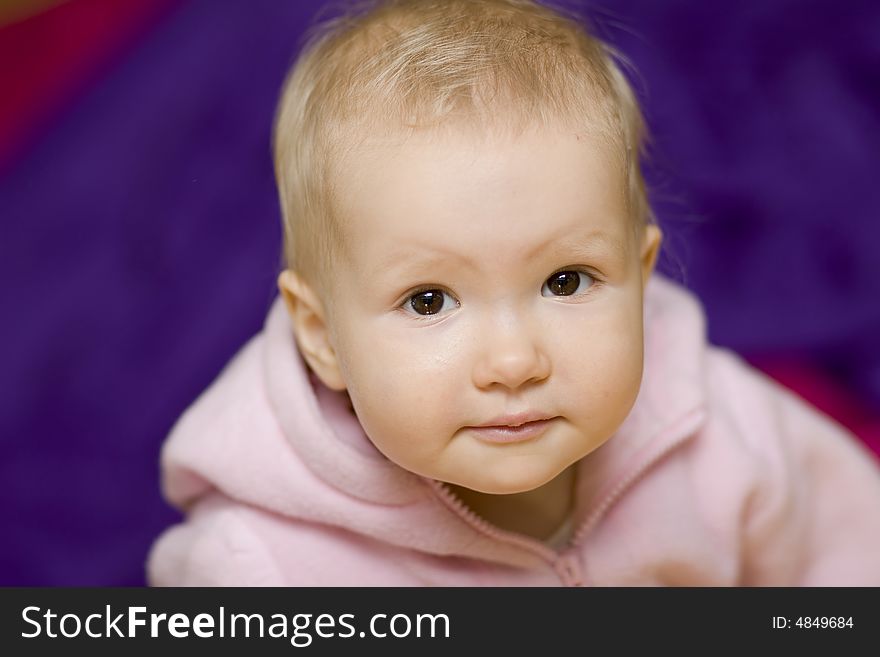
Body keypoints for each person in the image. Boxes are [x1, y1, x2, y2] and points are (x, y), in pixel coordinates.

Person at [147, 0, 880, 586]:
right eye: (429, 300)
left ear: (642, 271)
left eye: (565, 281)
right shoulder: (264, 569)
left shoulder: (724, 432)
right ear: (322, 335)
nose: (513, 360)